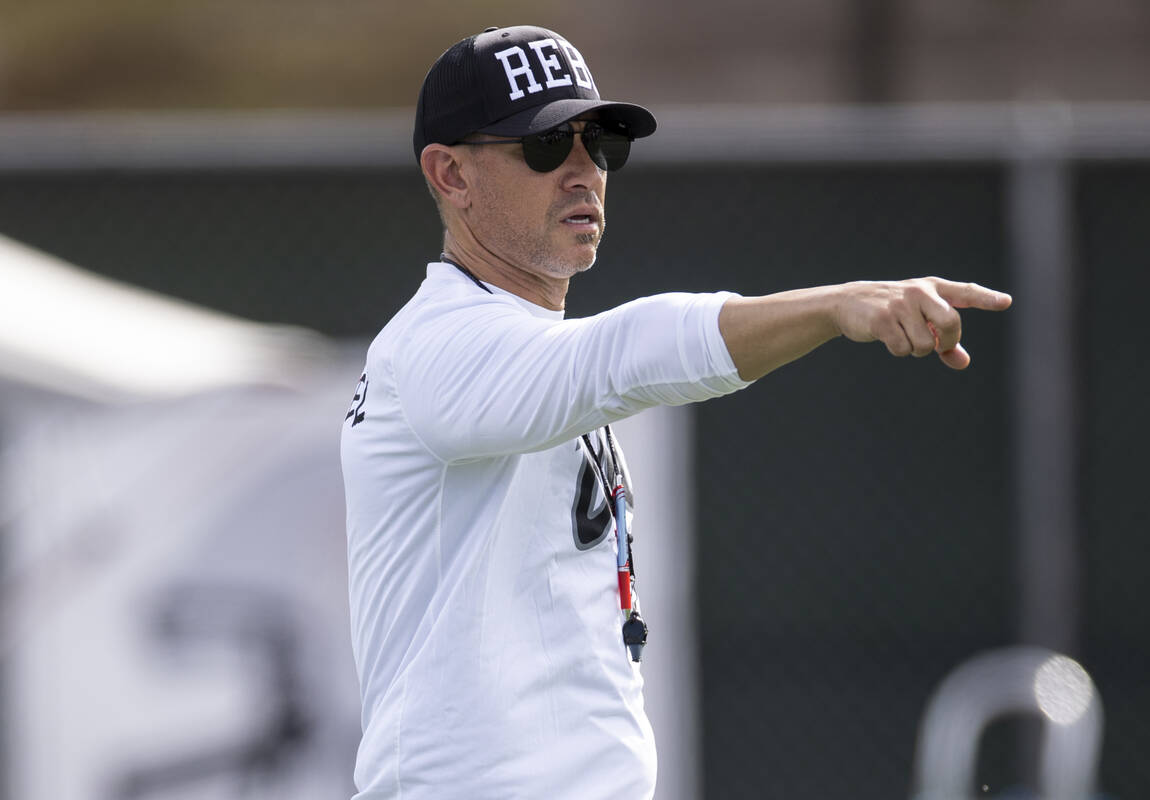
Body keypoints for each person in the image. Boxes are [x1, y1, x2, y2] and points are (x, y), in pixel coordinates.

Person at [339, 24, 1011, 800]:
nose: (583, 171)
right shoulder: (434, 346)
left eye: (601, 143)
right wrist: (836, 305)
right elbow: (624, 352)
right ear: (450, 174)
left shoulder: (511, 345)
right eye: (545, 145)